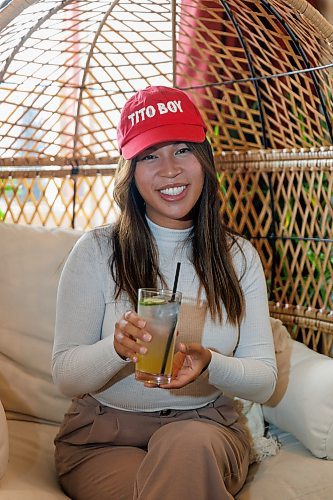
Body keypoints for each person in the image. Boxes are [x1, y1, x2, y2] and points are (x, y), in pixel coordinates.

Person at [52, 85, 277, 500]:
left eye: (182, 150)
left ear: (203, 159)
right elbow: (65, 375)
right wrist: (116, 348)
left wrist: (210, 363)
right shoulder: (96, 250)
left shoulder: (239, 257)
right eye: (150, 156)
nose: (169, 169)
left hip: (205, 429)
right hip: (104, 436)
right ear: (131, 173)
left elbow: (264, 381)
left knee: (186, 448)